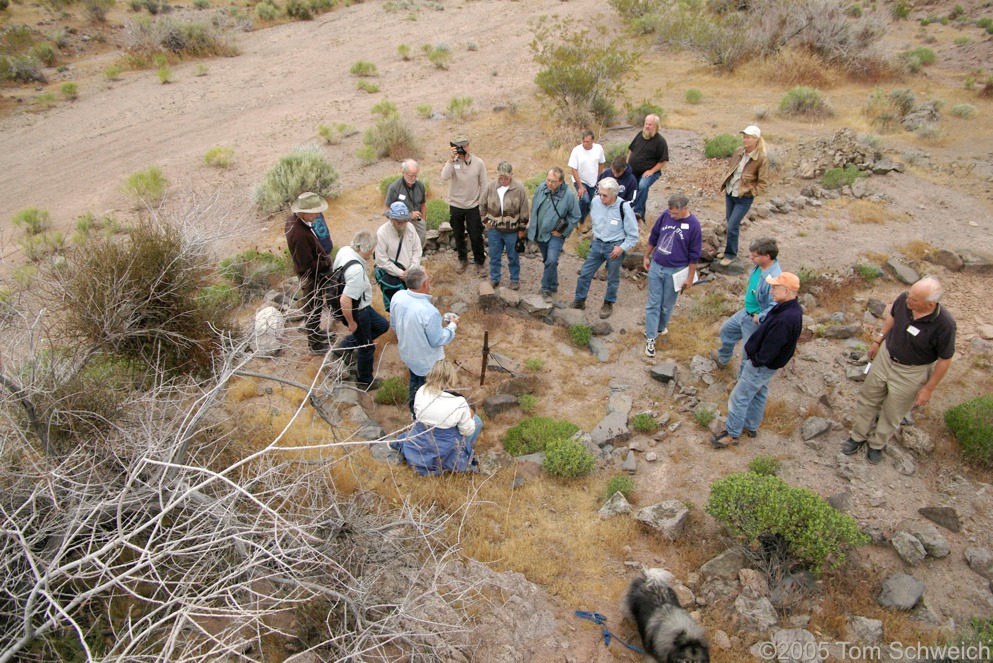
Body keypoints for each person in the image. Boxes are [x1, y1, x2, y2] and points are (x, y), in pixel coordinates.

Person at [842, 277, 956, 465]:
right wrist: (878, 340)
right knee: (868, 398)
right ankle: (857, 436)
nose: (908, 300)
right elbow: (892, 318)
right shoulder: (904, 299)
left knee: (893, 411)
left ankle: (877, 444)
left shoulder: (945, 325)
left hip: (911, 372)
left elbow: (945, 359)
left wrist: (928, 388)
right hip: (886, 358)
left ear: (930, 304)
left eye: (914, 300)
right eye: (909, 295)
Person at [711, 272, 803, 448]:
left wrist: (755, 360)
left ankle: (732, 434)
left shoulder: (785, 318)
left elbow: (772, 347)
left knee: (739, 397)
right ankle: (751, 426)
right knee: (759, 392)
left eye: (775, 287)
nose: (771, 291)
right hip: (767, 366)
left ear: (786, 291)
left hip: (761, 365)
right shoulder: (790, 309)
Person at [390, 360, 482, 475]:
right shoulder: (459, 401)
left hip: (420, 440)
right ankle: (461, 453)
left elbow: (417, 414)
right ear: (451, 377)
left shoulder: (421, 390)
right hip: (444, 448)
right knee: (477, 421)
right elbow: (467, 431)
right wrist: (471, 417)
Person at [389, 266, 458, 416]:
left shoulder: (398, 296)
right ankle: (425, 417)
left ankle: (414, 411)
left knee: (415, 383)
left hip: (407, 353)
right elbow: (438, 340)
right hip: (428, 362)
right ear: (425, 284)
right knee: (431, 392)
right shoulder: (429, 311)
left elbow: (394, 324)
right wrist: (452, 326)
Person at [570, 178, 639, 319]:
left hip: (614, 248)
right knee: (585, 273)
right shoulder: (595, 202)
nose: (601, 197)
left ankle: (608, 303)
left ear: (614, 194)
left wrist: (621, 248)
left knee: (613, 278)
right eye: (600, 194)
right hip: (597, 244)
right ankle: (580, 300)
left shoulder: (624, 207)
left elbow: (633, 235)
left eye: (605, 195)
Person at [642, 193, 702, 358]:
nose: (672, 216)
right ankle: (651, 337)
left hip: (675, 271)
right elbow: (654, 236)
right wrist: (647, 256)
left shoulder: (694, 225)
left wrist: (690, 278)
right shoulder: (665, 215)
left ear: (685, 209)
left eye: (675, 213)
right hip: (656, 266)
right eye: (670, 212)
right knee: (653, 304)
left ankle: (660, 328)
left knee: (666, 306)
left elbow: (694, 254)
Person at [712, 237, 782, 368]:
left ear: (767, 256)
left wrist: (760, 317)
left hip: (755, 320)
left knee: (748, 354)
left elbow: (775, 306)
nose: (751, 258)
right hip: (745, 312)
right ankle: (722, 360)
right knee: (727, 331)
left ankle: (741, 384)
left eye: (754, 256)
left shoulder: (774, 278)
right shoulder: (759, 267)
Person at [333, 230, 389, 390]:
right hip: (358, 311)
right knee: (367, 347)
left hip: (362, 306)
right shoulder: (356, 270)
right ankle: (365, 380)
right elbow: (345, 300)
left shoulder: (345, 251)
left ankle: (345, 347)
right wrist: (351, 322)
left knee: (382, 326)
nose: (372, 253)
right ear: (365, 248)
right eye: (371, 250)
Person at [284, 191, 334, 355]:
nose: (319, 214)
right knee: (312, 309)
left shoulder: (295, 221)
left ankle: (317, 334)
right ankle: (315, 345)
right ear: (305, 213)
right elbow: (307, 264)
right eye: (315, 212)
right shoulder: (299, 233)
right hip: (311, 276)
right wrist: (325, 262)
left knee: (317, 306)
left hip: (312, 274)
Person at [718, 125, 770, 267]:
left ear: (755, 140)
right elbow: (732, 169)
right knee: (730, 224)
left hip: (743, 197)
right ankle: (729, 250)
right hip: (731, 193)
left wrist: (750, 193)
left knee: (733, 225)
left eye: (748, 137)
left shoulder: (761, 158)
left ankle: (730, 255)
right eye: (744, 136)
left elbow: (763, 183)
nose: (744, 139)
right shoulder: (738, 152)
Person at [528, 167, 581, 302]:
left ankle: (545, 288)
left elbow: (576, 215)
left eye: (554, 181)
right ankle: (554, 284)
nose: (550, 184)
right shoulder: (541, 188)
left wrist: (562, 231)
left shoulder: (569, 195)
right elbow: (534, 208)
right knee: (548, 261)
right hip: (540, 233)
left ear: (561, 182)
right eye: (548, 180)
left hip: (555, 235)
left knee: (551, 260)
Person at [440, 134, 487, 276]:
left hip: (473, 205)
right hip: (456, 205)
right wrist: (450, 160)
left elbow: (484, 184)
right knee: (458, 235)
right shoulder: (453, 163)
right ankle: (462, 259)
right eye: (457, 146)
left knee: (476, 235)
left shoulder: (478, 162)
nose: (460, 149)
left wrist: (482, 203)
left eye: (462, 146)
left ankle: (480, 262)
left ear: (467, 146)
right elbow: (444, 177)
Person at [481, 161, 529, 290]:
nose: (503, 180)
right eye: (500, 177)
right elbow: (482, 205)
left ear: (511, 175)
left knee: (513, 257)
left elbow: (524, 210)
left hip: (512, 231)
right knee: (494, 256)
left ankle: (514, 279)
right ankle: (495, 278)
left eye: (506, 178)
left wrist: (521, 229)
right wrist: (485, 221)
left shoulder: (519, 188)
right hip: (494, 230)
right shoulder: (491, 187)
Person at [374, 201, 423, 312]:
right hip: (394, 277)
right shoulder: (382, 233)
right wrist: (401, 273)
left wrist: (411, 269)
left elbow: (417, 250)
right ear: (391, 219)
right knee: (397, 308)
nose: (403, 224)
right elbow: (381, 260)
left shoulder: (410, 227)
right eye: (399, 222)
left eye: (405, 220)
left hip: (412, 272)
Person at [627, 114, 669, 221]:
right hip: (633, 170)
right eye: (646, 124)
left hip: (650, 171)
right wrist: (627, 165)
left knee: (642, 185)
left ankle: (638, 211)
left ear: (656, 126)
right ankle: (637, 215)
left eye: (650, 124)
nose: (647, 126)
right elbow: (631, 150)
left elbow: (663, 160)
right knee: (633, 189)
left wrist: (651, 171)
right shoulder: (639, 135)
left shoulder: (660, 141)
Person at [384, 158, 427, 247]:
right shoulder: (394, 188)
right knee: (403, 247)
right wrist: (409, 215)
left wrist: (423, 221)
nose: (413, 178)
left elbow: (423, 205)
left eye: (415, 175)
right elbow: (387, 210)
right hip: (401, 222)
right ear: (403, 172)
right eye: (411, 176)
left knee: (419, 244)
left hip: (418, 222)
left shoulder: (420, 186)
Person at [568, 130, 606, 224]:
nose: (585, 144)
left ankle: (583, 218)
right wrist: (580, 186)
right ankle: (578, 220)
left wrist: (598, 177)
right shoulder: (576, 150)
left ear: (593, 140)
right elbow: (573, 169)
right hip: (580, 180)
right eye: (583, 141)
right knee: (585, 200)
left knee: (594, 201)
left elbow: (601, 163)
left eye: (587, 142)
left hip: (593, 181)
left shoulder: (598, 149)